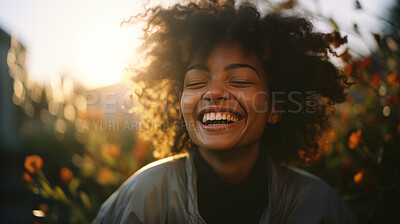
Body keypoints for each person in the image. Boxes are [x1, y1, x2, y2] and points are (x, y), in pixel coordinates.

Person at [93, 0, 357, 223]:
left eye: (240, 80)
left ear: (276, 107)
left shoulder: (320, 208)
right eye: (196, 82)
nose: (213, 92)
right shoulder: (141, 199)